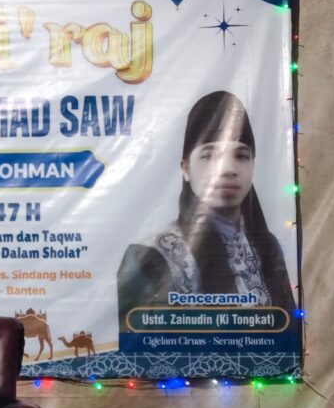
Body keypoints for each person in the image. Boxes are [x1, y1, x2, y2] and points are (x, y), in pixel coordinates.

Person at [117, 90, 296, 329]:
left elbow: (287, 332)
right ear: (185, 168)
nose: (227, 169)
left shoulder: (266, 247)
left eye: (241, 155)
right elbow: (137, 342)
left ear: (253, 165)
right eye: (209, 155)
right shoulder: (150, 255)